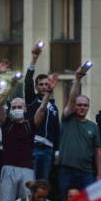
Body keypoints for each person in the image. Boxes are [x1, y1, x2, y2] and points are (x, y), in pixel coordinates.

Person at [57, 66, 101, 196]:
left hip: (87, 172)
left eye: (85, 105)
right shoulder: (67, 119)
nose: (82, 107)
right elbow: (71, 100)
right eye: (79, 105)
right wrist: (77, 80)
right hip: (66, 170)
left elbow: (98, 151)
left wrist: (99, 174)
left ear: (88, 107)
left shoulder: (93, 127)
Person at [24, 43, 60, 180]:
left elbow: (57, 130)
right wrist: (34, 60)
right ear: (36, 86)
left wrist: (57, 151)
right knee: (30, 183)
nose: (45, 86)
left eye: (47, 84)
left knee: (43, 184)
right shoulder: (32, 99)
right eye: (41, 84)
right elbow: (27, 81)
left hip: (48, 150)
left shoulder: (54, 107)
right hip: (33, 146)